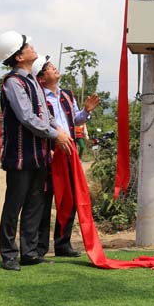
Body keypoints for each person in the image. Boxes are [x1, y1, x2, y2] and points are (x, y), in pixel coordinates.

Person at [0, 33, 71, 270]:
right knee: (14, 205)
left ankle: (29, 252)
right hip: (19, 155)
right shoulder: (13, 82)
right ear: (18, 56)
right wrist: (54, 134)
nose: (32, 47)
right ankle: (8, 254)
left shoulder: (31, 82)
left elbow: (45, 114)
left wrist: (58, 129)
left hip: (38, 154)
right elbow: (27, 117)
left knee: (34, 204)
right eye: (26, 46)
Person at [36, 58, 100, 258]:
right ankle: (39, 247)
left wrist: (86, 112)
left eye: (52, 66)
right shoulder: (39, 97)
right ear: (42, 78)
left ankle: (63, 243)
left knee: (69, 198)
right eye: (48, 68)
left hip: (68, 152)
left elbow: (75, 120)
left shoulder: (66, 95)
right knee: (45, 200)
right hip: (51, 151)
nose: (54, 68)